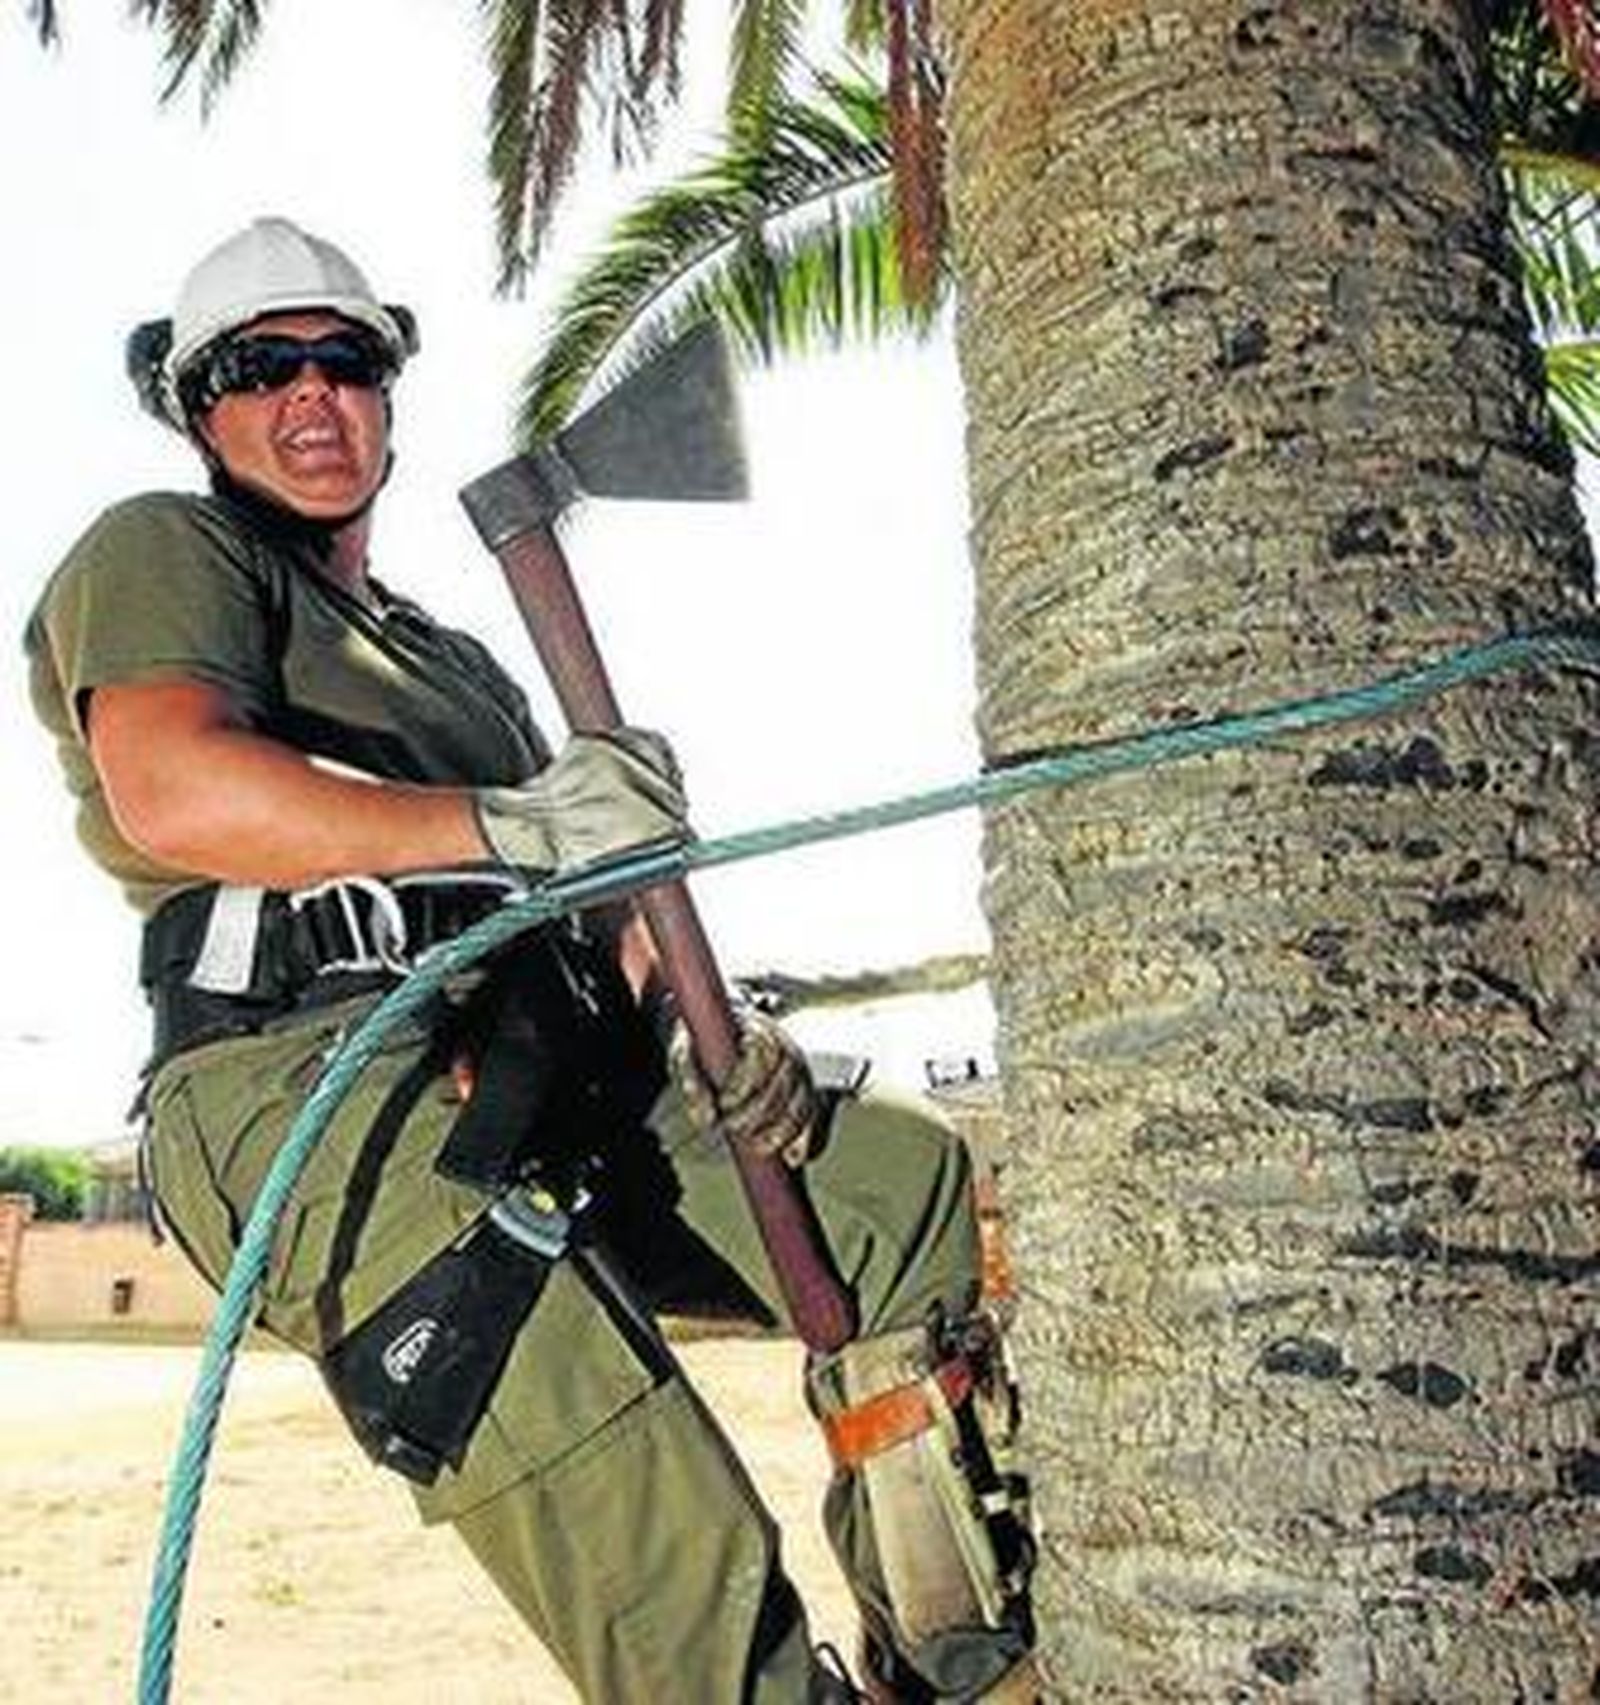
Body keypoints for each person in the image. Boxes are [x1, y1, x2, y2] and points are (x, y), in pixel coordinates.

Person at [25, 217, 1039, 1703]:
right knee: (626, 1468)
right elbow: (173, 786)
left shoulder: (456, 659)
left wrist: (714, 1029)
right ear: (198, 407)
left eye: (345, 359)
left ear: (388, 387)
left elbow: (590, 904)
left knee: (890, 1187)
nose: (311, 395)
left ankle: (960, 1658)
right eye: (260, 367)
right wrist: (509, 812)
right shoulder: (170, 549)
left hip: (545, 1058)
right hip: (300, 1077)